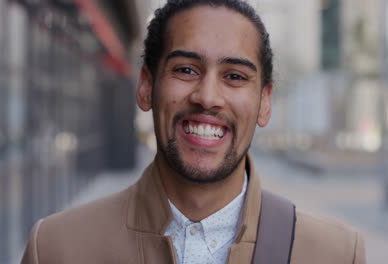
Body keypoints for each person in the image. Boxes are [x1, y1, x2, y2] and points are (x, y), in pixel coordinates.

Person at [21, 0, 366, 263]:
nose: (207, 97)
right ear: (145, 86)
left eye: (234, 76)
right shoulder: (56, 248)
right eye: (186, 69)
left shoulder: (335, 254)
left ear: (264, 103)